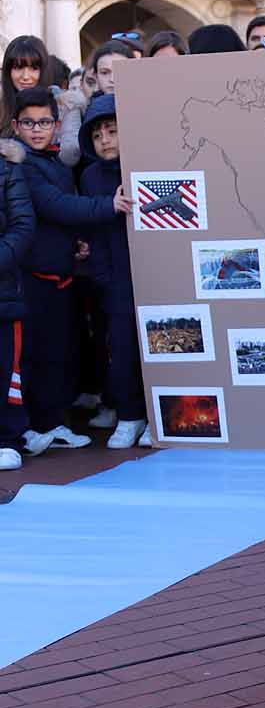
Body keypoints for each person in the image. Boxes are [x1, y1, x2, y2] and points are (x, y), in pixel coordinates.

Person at [9, 87, 130, 455]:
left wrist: (77, 242)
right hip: (32, 279)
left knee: (59, 356)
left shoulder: (57, 163)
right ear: (15, 127)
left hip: (61, 277)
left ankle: (52, 422)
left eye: (44, 121)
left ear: (57, 125)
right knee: (34, 357)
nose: (36, 129)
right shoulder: (23, 165)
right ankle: (32, 427)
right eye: (28, 123)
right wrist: (109, 205)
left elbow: (64, 218)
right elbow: (57, 206)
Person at [77, 94, 149, 448]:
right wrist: (102, 275)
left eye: (112, 130)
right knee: (121, 351)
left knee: (160, 346)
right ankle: (130, 415)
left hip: (154, 275)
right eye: (97, 135)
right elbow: (92, 230)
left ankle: (156, 417)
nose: (105, 140)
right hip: (115, 278)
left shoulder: (146, 163)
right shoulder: (90, 176)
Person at [0, 135, 35, 471]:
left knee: (4, 366)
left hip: (3, 290)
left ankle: (7, 438)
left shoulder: (8, 167)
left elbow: (23, 226)